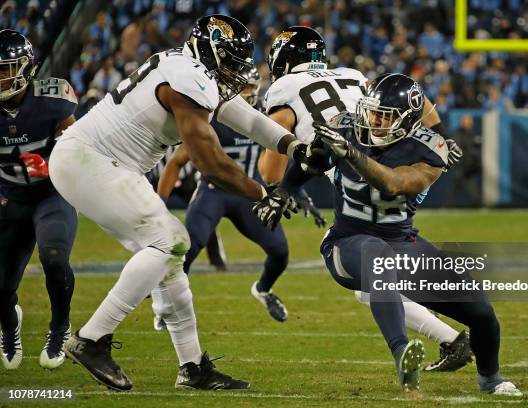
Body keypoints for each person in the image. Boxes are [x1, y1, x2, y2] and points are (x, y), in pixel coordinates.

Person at [49, 15, 317, 391]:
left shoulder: (189, 68)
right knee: (169, 241)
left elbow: (251, 122)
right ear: (209, 51)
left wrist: (295, 146)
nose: (236, 73)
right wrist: (264, 193)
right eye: (231, 62)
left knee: (171, 257)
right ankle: (92, 338)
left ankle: (192, 368)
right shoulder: (187, 78)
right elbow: (212, 164)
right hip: (89, 159)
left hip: (103, 163)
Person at [254, 73, 522, 396]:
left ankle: (490, 379)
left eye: (385, 117)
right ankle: (402, 355)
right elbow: (312, 159)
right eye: (372, 112)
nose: (374, 121)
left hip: (403, 243)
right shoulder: (347, 125)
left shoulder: (430, 150)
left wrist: (352, 154)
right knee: (376, 254)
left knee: (480, 311)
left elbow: (395, 183)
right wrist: (284, 191)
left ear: (409, 122)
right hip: (347, 243)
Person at [257, 26, 471, 372]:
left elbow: (276, 143)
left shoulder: (283, 89)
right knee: (373, 274)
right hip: (402, 159)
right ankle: (453, 338)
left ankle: (441, 340)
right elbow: (417, 96)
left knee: (355, 260)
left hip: (364, 175)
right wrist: (442, 137)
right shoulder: (351, 74)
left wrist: (276, 189)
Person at [153, 68, 322, 324]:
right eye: (242, 88)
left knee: (280, 251)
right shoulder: (212, 121)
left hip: (249, 195)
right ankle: (168, 304)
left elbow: (279, 163)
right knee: (190, 247)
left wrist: (297, 191)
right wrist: (160, 206)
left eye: (251, 88)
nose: (247, 94)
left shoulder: (263, 120)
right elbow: (176, 163)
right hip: (213, 193)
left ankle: (263, 290)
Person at [0, 30, 77, 370]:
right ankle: (8, 323)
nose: (0, 76)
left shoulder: (53, 99)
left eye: (5, 68)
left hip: (51, 194)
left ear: (26, 68)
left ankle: (60, 326)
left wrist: (57, 163)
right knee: (1, 286)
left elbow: (78, 152)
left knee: (55, 257)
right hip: (9, 199)